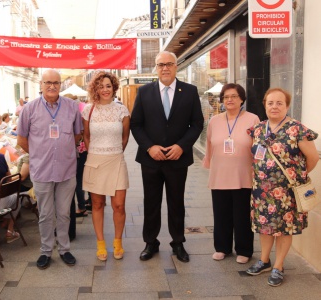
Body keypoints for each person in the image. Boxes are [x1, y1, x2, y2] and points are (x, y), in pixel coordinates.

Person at [130, 51, 204, 263]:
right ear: (155, 67)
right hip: (150, 159)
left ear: (176, 66)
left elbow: (197, 123)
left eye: (169, 64)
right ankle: (150, 242)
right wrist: (149, 147)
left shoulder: (189, 91)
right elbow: (136, 124)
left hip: (177, 158)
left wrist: (182, 146)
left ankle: (178, 242)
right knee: (151, 202)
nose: (165, 68)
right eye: (161, 64)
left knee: (176, 202)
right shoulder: (144, 92)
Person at [245, 88, 319, 286]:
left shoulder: (297, 129)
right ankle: (264, 260)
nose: (274, 106)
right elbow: (255, 156)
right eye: (270, 103)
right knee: (265, 227)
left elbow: (312, 158)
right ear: (265, 105)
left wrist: (298, 176)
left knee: (285, 229)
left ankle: (278, 266)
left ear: (287, 106)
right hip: (261, 191)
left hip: (287, 192)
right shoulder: (259, 129)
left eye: (279, 103)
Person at [17, 69, 83, 270]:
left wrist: (62, 149)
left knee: (64, 213)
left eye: (56, 82)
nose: (52, 86)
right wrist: (39, 154)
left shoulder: (72, 107)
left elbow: (78, 135)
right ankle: (46, 251)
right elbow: (22, 139)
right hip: (42, 170)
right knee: (45, 213)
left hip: (66, 169)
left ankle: (64, 249)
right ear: (41, 84)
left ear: (61, 84)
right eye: (48, 83)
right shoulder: (29, 109)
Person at [202, 83, 259, 264]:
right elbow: (210, 144)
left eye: (234, 96)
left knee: (242, 215)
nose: (230, 100)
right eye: (226, 97)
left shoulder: (252, 118)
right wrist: (209, 163)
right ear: (222, 100)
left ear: (241, 99)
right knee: (221, 213)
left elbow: (258, 146)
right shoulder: (214, 120)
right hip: (220, 173)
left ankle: (244, 249)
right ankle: (222, 247)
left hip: (244, 174)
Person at [82, 71, 130, 261]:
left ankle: (118, 242)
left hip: (116, 160)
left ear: (114, 87)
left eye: (108, 86)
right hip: (95, 161)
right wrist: (94, 152)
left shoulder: (122, 110)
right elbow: (86, 136)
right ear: (95, 88)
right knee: (97, 204)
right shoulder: (88, 110)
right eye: (101, 86)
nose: (105, 90)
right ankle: (100, 243)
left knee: (119, 205)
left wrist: (114, 151)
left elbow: (125, 137)